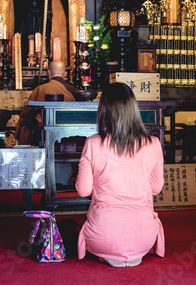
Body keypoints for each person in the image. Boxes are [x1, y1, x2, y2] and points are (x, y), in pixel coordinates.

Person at [76, 82, 164, 267]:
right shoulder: (153, 143)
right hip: (144, 237)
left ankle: (107, 250)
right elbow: (156, 188)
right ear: (133, 109)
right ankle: (130, 249)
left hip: (103, 235)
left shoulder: (93, 143)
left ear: (103, 111)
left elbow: (83, 190)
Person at [15, 60, 77, 146]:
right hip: (69, 133)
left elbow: (28, 112)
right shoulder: (73, 90)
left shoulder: (41, 89)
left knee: (27, 123)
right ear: (65, 74)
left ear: (48, 73)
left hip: (45, 132)